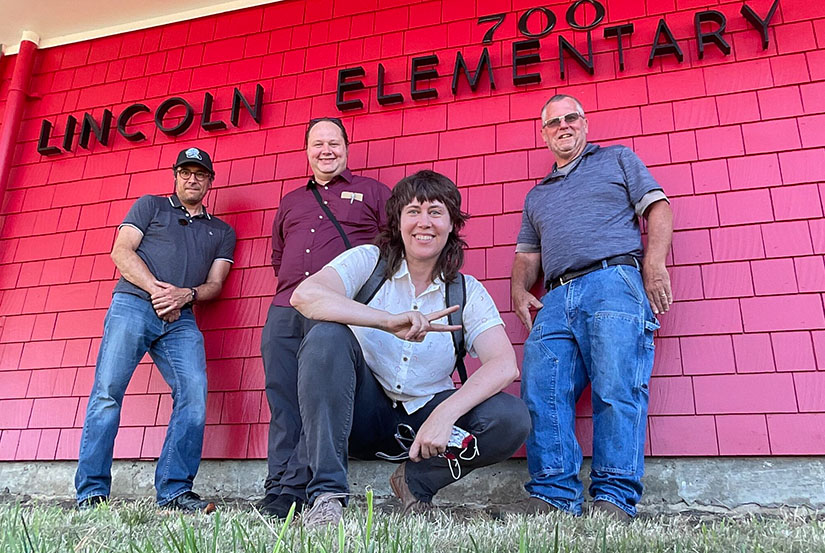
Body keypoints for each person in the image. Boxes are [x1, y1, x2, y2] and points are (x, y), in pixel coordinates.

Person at [289, 170, 531, 527]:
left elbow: (504, 364)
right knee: (327, 336)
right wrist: (385, 320)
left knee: (511, 419)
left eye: (436, 212)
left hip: (426, 421)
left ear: (452, 224)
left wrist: (445, 414)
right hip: (360, 415)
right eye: (413, 211)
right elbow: (305, 296)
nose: (424, 222)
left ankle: (415, 483)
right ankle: (327, 497)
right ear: (398, 222)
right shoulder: (368, 261)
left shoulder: (467, 291)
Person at [504, 94, 673, 521]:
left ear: (585, 123)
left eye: (570, 118)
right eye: (553, 122)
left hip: (613, 280)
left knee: (616, 388)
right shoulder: (536, 196)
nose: (563, 126)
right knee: (541, 389)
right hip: (557, 295)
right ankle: (553, 494)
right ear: (543, 135)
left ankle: (614, 498)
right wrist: (520, 290)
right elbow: (527, 256)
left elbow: (657, 207)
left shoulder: (617, 159)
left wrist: (653, 266)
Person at [74, 147, 236, 513]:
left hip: (181, 318)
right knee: (107, 394)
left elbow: (215, 284)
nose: (191, 179)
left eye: (199, 173)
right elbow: (121, 252)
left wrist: (185, 296)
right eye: (185, 172)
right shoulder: (150, 205)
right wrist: (157, 290)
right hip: (132, 304)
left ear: (210, 180)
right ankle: (91, 494)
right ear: (176, 175)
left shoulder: (221, 231)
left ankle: (175, 491)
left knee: (193, 395)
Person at [259, 117, 391, 518]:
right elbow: (279, 255)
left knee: (314, 397)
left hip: (334, 308)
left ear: (347, 148)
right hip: (285, 306)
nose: (326, 150)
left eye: (333, 142)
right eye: (318, 144)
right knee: (283, 399)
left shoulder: (372, 192)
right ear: (307, 151)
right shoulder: (291, 201)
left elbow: (390, 251)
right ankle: (276, 484)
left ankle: (296, 489)